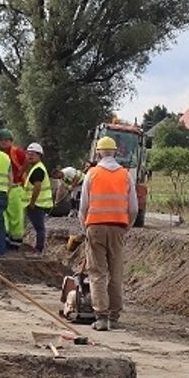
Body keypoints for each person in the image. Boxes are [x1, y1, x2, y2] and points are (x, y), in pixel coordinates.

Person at [78, 136, 138, 331]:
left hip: (95, 227)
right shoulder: (125, 175)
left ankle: (102, 318)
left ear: (98, 152)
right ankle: (114, 317)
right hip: (118, 227)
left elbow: (83, 207)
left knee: (97, 273)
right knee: (116, 274)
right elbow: (134, 209)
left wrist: (85, 228)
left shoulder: (92, 173)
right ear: (115, 152)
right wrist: (126, 227)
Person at [0, 129, 28, 248]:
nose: (4, 143)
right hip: (2, 188)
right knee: (3, 214)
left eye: (7, 140)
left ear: (11, 141)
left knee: (16, 215)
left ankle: (16, 240)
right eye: (2, 140)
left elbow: (26, 160)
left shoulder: (16, 152)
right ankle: (5, 238)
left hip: (15, 188)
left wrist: (20, 173)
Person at [23, 142, 54, 254]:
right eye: (28, 153)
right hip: (38, 204)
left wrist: (32, 202)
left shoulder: (38, 169)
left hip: (37, 204)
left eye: (33, 154)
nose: (30, 156)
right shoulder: (36, 168)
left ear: (40, 156)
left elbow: (37, 187)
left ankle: (38, 249)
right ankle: (38, 248)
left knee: (39, 228)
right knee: (39, 227)